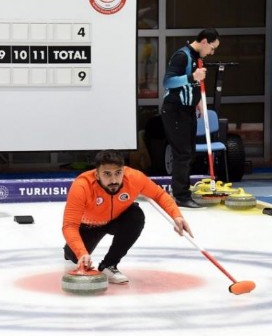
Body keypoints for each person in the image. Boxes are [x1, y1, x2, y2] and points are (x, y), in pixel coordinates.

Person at [62, 150, 193, 284]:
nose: (113, 180)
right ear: (97, 174)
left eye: (118, 173)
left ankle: (109, 264)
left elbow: (159, 195)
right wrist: (81, 253)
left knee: (135, 216)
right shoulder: (82, 186)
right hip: (90, 225)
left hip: (117, 219)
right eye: (107, 174)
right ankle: (72, 251)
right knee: (73, 255)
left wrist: (177, 216)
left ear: (123, 171)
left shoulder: (134, 177)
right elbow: (69, 226)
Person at [161, 28, 220, 209]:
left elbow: (192, 86)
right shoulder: (182, 56)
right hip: (175, 111)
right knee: (183, 153)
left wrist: (198, 103)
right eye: (212, 48)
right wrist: (192, 76)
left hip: (187, 110)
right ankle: (180, 196)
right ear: (203, 42)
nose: (212, 52)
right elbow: (168, 82)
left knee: (189, 153)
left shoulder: (196, 57)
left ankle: (181, 191)